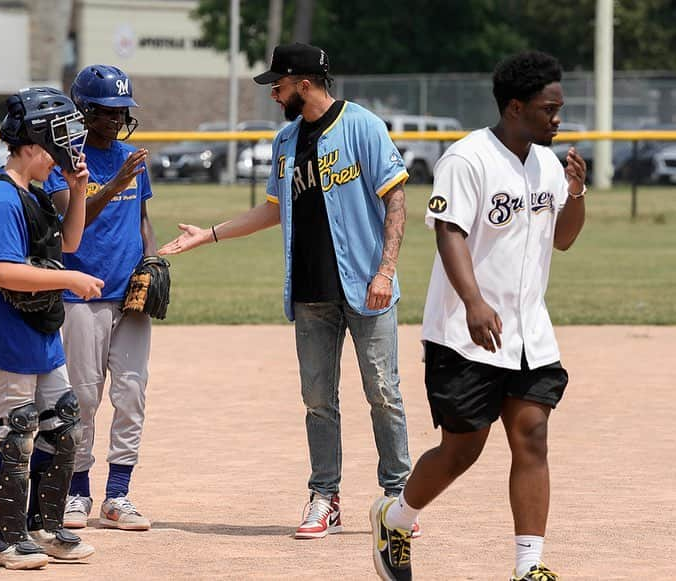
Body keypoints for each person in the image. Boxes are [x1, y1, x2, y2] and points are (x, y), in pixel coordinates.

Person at [159, 43, 413, 540]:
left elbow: (397, 199)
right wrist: (208, 234)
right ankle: (325, 497)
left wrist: (386, 271)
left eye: (278, 85)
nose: (273, 94)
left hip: (366, 286)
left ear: (303, 83)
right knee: (318, 399)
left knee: (383, 392)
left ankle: (397, 497)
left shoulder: (362, 125)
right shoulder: (285, 140)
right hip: (310, 291)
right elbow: (273, 210)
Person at [370, 51, 586, 581]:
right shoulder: (468, 159)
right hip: (465, 333)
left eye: (559, 108)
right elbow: (450, 232)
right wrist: (472, 301)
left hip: (529, 332)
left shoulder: (547, 164)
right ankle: (396, 519)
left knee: (532, 434)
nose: (557, 118)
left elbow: (563, 239)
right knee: (463, 448)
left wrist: (576, 192)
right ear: (515, 107)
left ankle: (529, 566)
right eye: (548, 108)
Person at [0, 86, 102, 570]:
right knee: (16, 431)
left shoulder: (36, 194)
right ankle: (4, 539)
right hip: (5, 329)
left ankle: (44, 526)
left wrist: (79, 191)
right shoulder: (3, 198)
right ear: (35, 143)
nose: (67, 152)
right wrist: (71, 278)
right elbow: (3, 270)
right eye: (61, 142)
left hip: (39, 324)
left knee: (62, 424)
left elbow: (71, 238)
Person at [42, 64, 153, 532]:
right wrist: (114, 184)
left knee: (131, 395)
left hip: (129, 298)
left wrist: (150, 263)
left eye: (121, 111)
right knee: (84, 397)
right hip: (80, 296)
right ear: (84, 111)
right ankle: (77, 492)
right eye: (107, 111)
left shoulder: (132, 157)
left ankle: (118, 495)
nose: (116, 119)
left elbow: (143, 220)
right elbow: (74, 220)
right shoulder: (65, 163)